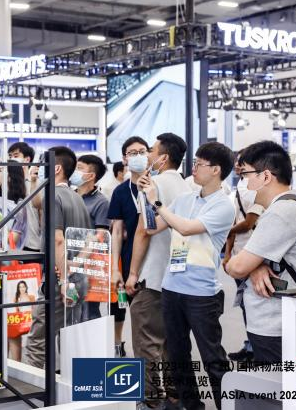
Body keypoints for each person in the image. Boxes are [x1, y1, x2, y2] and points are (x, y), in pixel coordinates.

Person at [140, 141, 235, 410]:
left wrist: (156, 201)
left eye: (199, 164)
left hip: (202, 294)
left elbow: (185, 228)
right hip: (172, 287)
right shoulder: (185, 199)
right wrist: (145, 195)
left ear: (216, 170)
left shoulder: (223, 206)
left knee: (212, 357)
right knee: (178, 356)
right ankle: (191, 406)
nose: (193, 168)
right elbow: (152, 227)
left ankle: (227, 406)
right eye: (194, 162)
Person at [225, 141, 296, 363]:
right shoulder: (290, 205)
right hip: (281, 319)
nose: (243, 182)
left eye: (245, 174)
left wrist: (245, 265)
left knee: (276, 382)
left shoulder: (281, 212)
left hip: (275, 323)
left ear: (265, 176)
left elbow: (236, 267)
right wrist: (255, 266)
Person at [125, 133, 191, 410]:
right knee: (171, 341)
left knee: (147, 342)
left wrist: (132, 273)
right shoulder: (187, 186)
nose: (146, 155)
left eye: (151, 151)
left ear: (163, 158)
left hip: (152, 274)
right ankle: (175, 396)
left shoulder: (153, 185)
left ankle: (150, 401)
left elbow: (144, 230)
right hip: (179, 276)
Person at [25, 146, 92, 369]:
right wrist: (74, 267)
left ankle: (35, 389)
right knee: (69, 337)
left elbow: (58, 240)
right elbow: (90, 239)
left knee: (38, 341)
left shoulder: (54, 196)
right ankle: (70, 384)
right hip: (78, 279)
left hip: (59, 281)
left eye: (44, 164)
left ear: (56, 168)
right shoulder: (77, 198)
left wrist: (64, 279)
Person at [108, 136, 150, 357]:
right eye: (133, 153)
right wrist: (115, 268)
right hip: (129, 258)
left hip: (156, 258)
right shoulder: (120, 191)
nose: (138, 156)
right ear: (125, 159)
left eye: (142, 151)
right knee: (132, 311)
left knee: (154, 318)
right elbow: (116, 231)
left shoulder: (157, 186)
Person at [223, 150, 264, 362]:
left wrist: (227, 231)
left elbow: (248, 223)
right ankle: (250, 346)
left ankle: (256, 350)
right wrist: (228, 254)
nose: (238, 166)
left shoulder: (258, 189)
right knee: (245, 304)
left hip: (255, 257)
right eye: (238, 162)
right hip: (239, 256)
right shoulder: (239, 188)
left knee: (256, 305)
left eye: (242, 163)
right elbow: (235, 223)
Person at [71, 154, 111, 320]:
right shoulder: (69, 195)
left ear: (91, 176)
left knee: (88, 314)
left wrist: (77, 262)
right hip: (67, 262)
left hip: (88, 266)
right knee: (69, 311)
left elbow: (99, 236)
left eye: (79, 168)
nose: (74, 171)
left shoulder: (101, 202)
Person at [9, 142, 42, 252]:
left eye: (16, 156)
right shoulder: (10, 185)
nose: (12, 159)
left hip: (32, 243)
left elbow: (41, 213)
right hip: (13, 243)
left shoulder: (36, 184)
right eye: (10, 156)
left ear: (27, 159)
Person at [0, 165, 27, 250]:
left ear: (10, 178)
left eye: (0, 171)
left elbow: (12, 240)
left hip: (7, 254)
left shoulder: (20, 206)